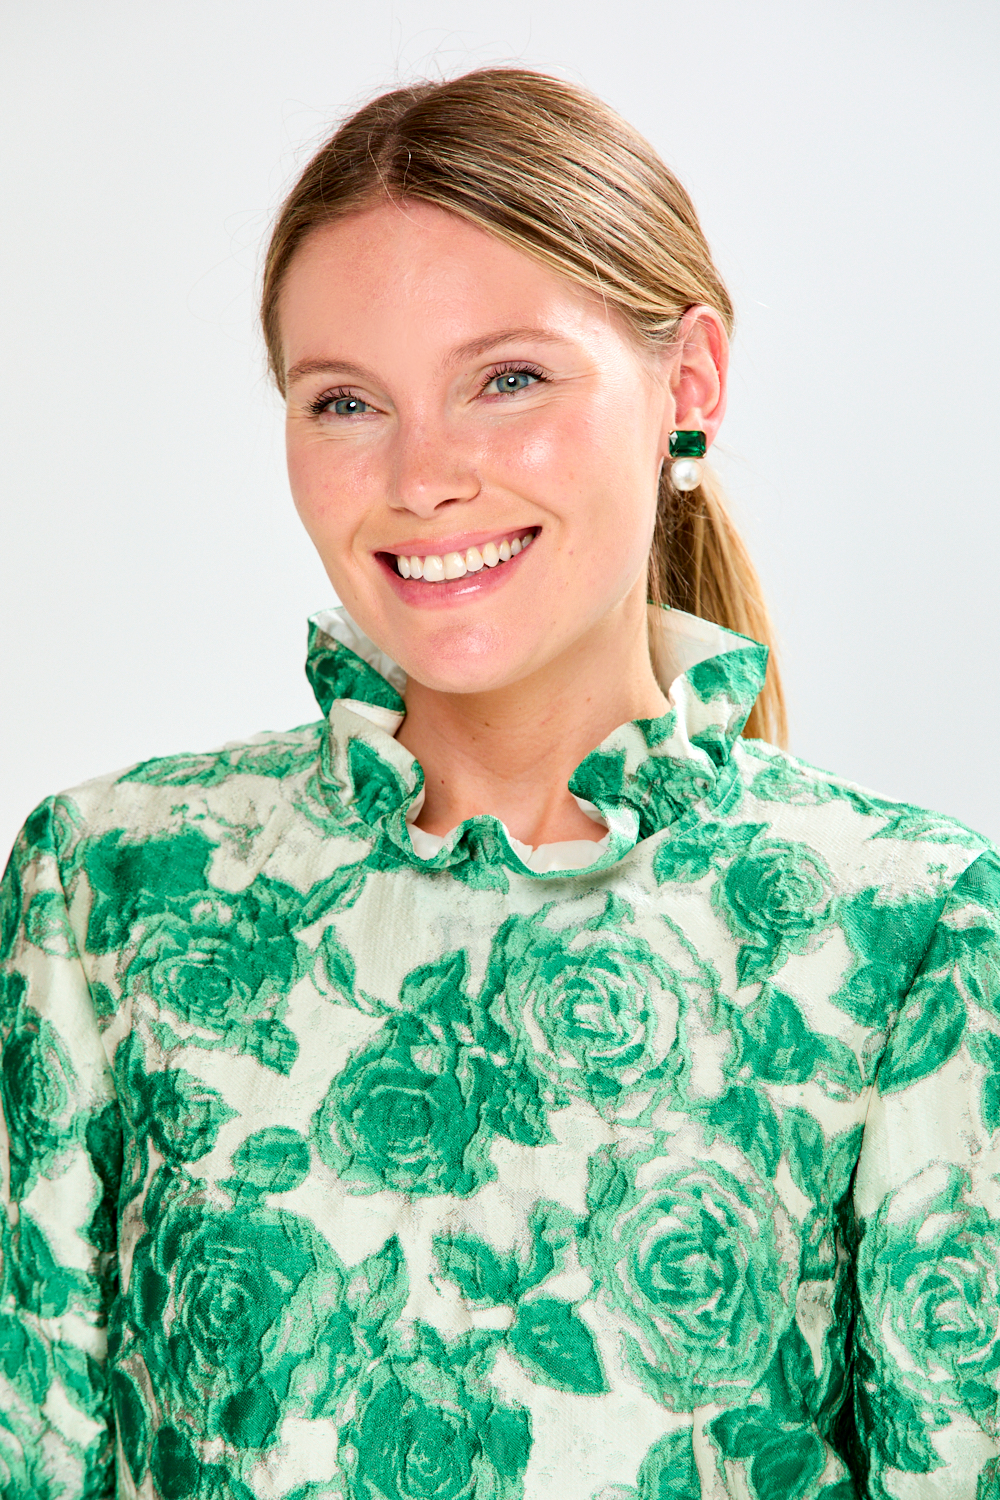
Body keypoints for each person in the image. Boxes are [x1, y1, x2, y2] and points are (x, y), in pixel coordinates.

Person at [1, 65, 998, 1500]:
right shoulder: (107, 892)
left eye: (507, 379)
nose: (421, 475)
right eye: (345, 401)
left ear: (689, 384)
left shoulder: (907, 930)